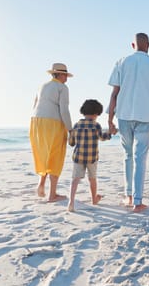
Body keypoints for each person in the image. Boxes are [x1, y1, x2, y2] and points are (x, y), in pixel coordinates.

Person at [107, 33, 149, 213]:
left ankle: (128, 195)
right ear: (148, 45)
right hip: (145, 116)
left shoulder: (121, 62)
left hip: (124, 115)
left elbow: (114, 94)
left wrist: (109, 120)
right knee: (140, 158)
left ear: (133, 45)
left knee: (127, 155)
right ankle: (138, 201)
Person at [30, 63, 73, 203]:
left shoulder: (42, 86)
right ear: (59, 74)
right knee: (55, 155)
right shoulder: (62, 88)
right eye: (65, 74)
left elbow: (34, 105)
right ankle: (52, 194)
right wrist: (70, 129)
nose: (66, 77)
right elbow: (64, 110)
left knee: (44, 153)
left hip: (36, 122)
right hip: (53, 122)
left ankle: (41, 184)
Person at [67, 99, 113, 212]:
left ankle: (71, 202)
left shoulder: (77, 125)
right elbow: (102, 137)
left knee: (75, 179)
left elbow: (71, 143)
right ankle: (94, 199)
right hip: (92, 158)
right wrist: (110, 133)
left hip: (79, 157)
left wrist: (72, 138)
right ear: (96, 114)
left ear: (83, 111)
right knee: (92, 179)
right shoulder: (96, 125)